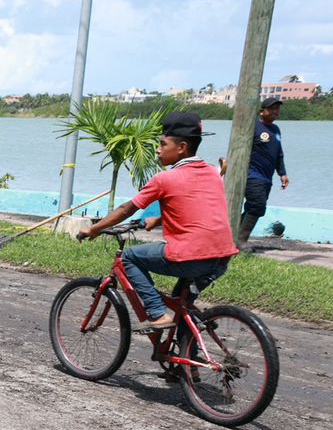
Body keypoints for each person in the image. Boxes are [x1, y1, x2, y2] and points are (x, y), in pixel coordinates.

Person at [78, 112, 237, 330]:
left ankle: (157, 313)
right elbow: (193, 206)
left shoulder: (164, 179)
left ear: (181, 148)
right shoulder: (212, 172)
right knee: (183, 304)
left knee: (129, 258)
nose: (157, 149)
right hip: (221, 255)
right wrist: (159, 219)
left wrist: (94, 229)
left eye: (163, 144)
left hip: (192, 255)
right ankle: (191, 353)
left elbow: (127, 209)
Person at [239, 97, 289, 242]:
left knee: (253, 208)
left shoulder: (276, 129)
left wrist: (283, 173)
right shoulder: (252, 126)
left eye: (277, 109)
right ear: (262, 111)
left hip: (267, 177)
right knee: (257, 206)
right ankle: (240, 242)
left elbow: (279, 153)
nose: (275, 111)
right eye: (272, 108)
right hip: (252, 175)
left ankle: (234, 239)